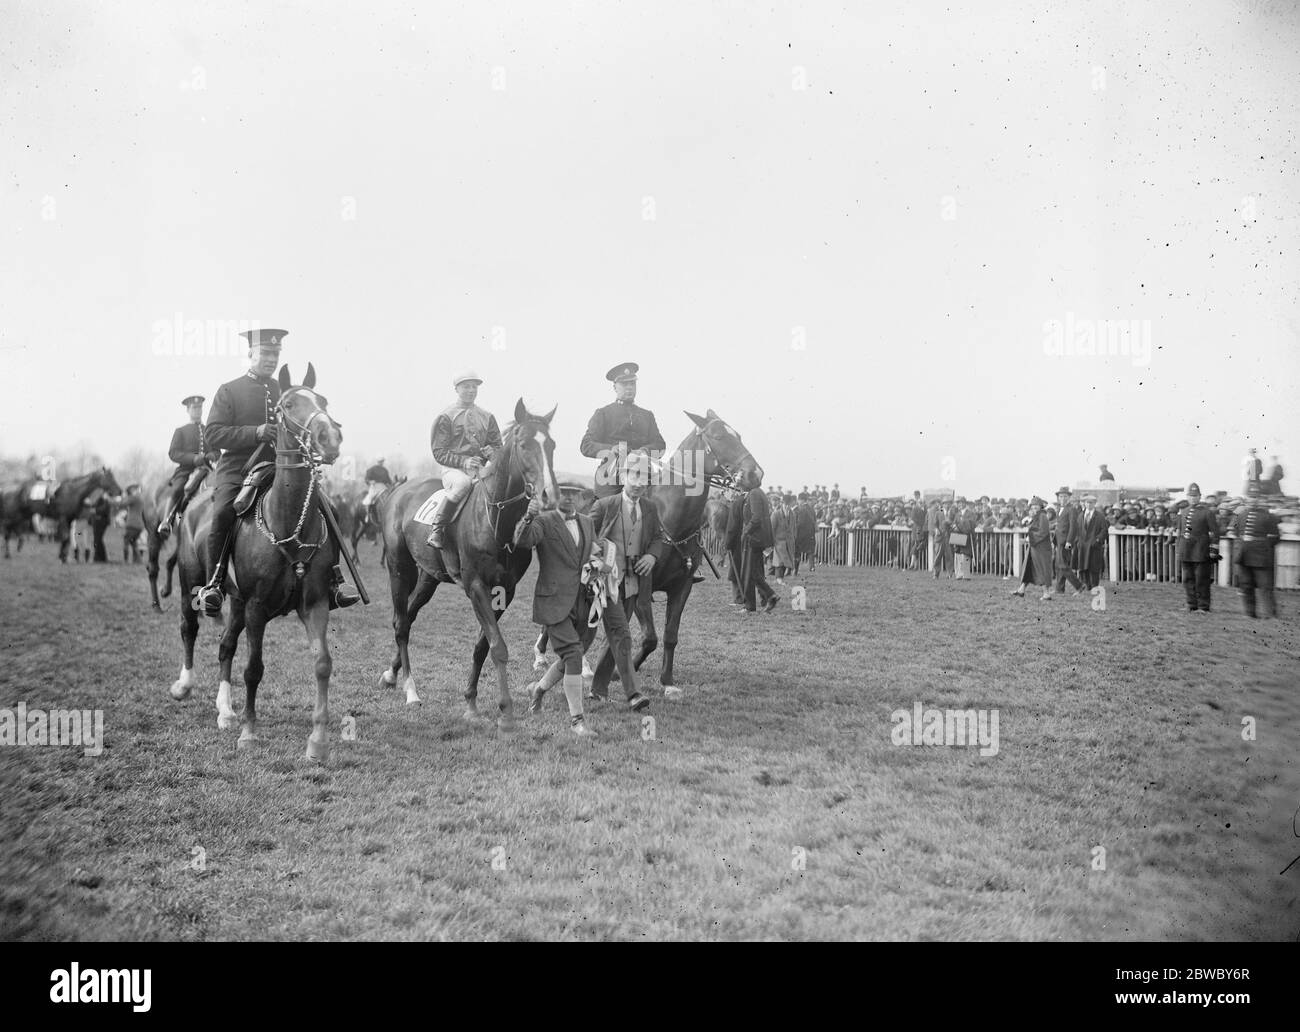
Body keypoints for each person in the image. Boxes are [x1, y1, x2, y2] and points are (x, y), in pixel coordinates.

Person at [195, 328, 359, 616]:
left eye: (275, 354)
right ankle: (214, 584)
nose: (271, 359)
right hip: (238, 469)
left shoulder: (284, 391)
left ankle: (335, 580)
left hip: (280, 468)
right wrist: (256, 432)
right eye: (265, 353)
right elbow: (213, 435)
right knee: (222, 512)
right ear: (250, 354)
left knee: (328, 506)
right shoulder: (229, 390)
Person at [516, 485, 606, 736]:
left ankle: (538, 689)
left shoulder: (587, 522)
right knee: (574, 656)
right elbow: (523, 540)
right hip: (553, 602)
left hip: (584, 601)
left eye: (573, 492)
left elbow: (595, 552)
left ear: (580, 497)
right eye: (561, 492)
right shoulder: (544, 522)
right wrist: (527, 516)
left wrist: (598, 564)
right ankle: (577, 721)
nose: (568, 496)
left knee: (570, 657)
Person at [586, 451, 668, 701]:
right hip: (606, 584)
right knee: (621, 635)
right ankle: (633, 693)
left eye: (646, 478)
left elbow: (658, 538)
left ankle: (596, 690)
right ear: (623, 476)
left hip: (634, 585)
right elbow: (587, 536)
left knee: (615, 635)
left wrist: (652, 556)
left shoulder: (650, 508)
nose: (641, 483)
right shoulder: (605, 505)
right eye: (636, 476)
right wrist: (599, 557)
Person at [427, 371, 504, 551]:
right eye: (466, 386)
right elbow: (439, 452)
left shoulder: (487, 416)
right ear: (456, 389)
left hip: (481, 469)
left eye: (474, 386)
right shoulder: (446, 416)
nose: (471, 390)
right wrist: (464, 462)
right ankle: (437, 529)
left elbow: (498, 446)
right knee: (462, 484)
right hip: (454, 470)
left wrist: (492, 452)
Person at [580, 362, 666, 499]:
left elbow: (660, 445)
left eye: (632, 384)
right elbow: (586, 445)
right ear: (615, 387)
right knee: (607, 509)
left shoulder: (647, 415)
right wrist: (611, 449)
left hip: (644, 472)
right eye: (624, 384)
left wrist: (645, 450)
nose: (629, 388)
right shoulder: (603, 413)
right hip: (612, 474)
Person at [158, 394, 219, 537]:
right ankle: (167, 521)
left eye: (199, 408)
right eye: (194, 408)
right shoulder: (181, 431)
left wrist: (212, 455)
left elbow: (217, 451)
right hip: (186, 470)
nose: (197, 411)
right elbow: (173, 453)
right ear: (188, 410)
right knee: (178, 489)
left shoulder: (208, 430)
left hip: (208, 469)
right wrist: (193, 459)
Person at [1231, 482, 1279, 618]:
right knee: (1246, 585)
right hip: (1244, 556)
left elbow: (1275, 537)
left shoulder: (1268, 516)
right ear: (1247, 498)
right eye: (1251, 497)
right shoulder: (1239, 516)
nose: (1253, 500)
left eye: (1256, 497)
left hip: (1261, 557)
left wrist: (1262, 546)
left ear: (1260, 499)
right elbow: (1234, 533)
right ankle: (1249, 613)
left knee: (1265, 586)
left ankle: (1270, 614)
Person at [1173, 481, 1218, 613]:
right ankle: (1191, 604)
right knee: (1187, 579)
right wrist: (1179, 549)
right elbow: (1180, 532)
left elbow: (1215, 533)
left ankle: (1203, 606)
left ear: (1200, 497)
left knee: (1201, 580)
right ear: (1187, 497)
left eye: (1195, 495)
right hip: (1186, 551)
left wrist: (1213, 551)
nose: (1193, 498)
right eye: (1191, 495)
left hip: (1200, 551)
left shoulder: (1207, 512)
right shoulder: (1183, 512)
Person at [1012, 497, 1053, 600]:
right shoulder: (1037, 516)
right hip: (1035, 547)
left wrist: (1028, 540)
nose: (1034, 509)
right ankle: (1021, 589)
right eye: (1032, 507)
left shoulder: (1042, 516)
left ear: (1040, 507)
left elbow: (1043, 532)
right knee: (1029, 568)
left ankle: (1046, 593)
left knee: (1041, 569)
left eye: (1036, 507)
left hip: (1041, 549)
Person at [1052, 486, 1085, 595]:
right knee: (1059, 565)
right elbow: (1059, 526)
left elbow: (1073, 527)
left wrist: (1069, 542)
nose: (1063, 498)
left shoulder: (1072, 509)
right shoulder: (1060, 509)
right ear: (1058, 498)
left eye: (1065, 496)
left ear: (1069, 497)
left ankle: (1079, 586)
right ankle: (1059, 589)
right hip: (1060, 541)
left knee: (1062, 565)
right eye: (1061, 496)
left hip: (1066, 542)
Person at [1076, 494, 1108, 590]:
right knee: (1083, 565)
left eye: (1091, 503)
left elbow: (1104, 530)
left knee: (1094, 566)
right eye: (1087, 502)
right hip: (1083, 545)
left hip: (1094, 545)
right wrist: (1078, 541)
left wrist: (1098, 539)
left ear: (1094, 504)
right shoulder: (1081, 515)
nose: (1089, 505)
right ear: (1084, 503)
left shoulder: (1100, 516)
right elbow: (1077, 529)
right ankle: (1086, 584)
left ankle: (1094, 585)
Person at [726, 486, 747, 606]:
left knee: (735, 570)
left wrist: (728, 543)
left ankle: (738, 598)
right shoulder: (750, 500)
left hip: (738, 542)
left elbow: (732, 527)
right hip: (748, 541)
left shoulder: (737, 503)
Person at [770, 494, 796, 583]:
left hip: (789, 542)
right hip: (779, 542)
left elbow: (794, 528)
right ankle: (779, 579)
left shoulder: (792, 514)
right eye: (786, 504)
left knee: (786, 560)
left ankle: (780, 578)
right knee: (779, 561)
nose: (787, 506)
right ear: (782, 503)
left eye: (789, 504)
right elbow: (771, 529)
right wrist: (772, 541)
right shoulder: (776, 514)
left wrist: (793, 538)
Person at [362, 457, 393, 524]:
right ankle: (367, 515)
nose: (381, 462)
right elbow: (366, 479)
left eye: (382, 461)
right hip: (374, 486)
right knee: (369, 499)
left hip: (383, 487)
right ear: (377, 461)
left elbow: (388, 480)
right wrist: (370, 482)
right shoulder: (372, 469)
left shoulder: (385, 470)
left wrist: (391, 484)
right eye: (380, 461)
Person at [794, 492, 817, 574]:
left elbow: (800, 522)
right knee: (810, 552)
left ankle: (795, 571)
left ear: (800, 500)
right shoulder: (811, 509)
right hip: (810, 534)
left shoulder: (801, 509)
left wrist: (794, 527)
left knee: (797, 552)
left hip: (801, 534)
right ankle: (812, 568)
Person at [121, 484, 145, 563]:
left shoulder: (134, 498)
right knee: (133, 542)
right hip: (139, 525)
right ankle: (137, 560)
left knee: (126, 541)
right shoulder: (140, 498)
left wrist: (123, 496)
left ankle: (126, 560)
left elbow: (122, 503)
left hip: (132, 524)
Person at [90, 492, 112, 562]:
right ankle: (100, 557)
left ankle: (99, 557)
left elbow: (103, 510)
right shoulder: (99, 500)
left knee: (98, 540)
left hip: (101, 522)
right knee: (97, 540)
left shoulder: (105, 500)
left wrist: (95, 510)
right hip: (97, 522)